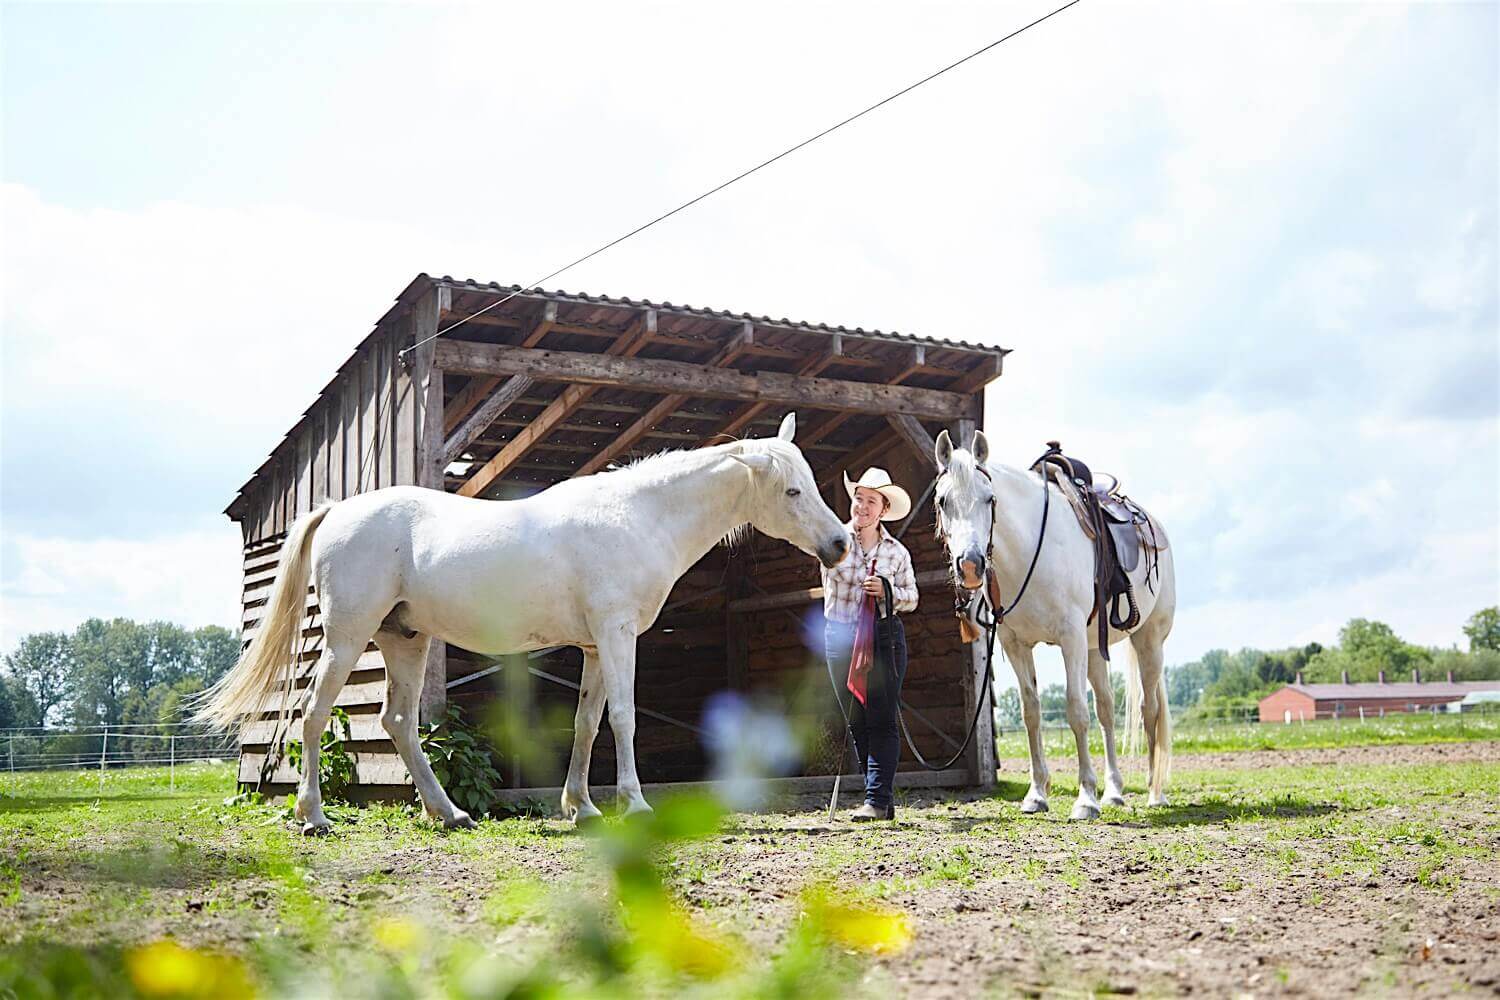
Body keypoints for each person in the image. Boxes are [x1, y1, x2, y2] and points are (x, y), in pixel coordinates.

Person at [821, 467, 918, 821]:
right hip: (841, 635)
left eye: (870, 500)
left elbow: (912, 597)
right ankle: (880, 798)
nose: (861, 506)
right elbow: (837, 572)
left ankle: (876, 800)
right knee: (856, 719)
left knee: (882, 717)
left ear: (883, 508)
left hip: (884, 636)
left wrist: (888, 590)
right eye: (858, 498)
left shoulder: (897, 552)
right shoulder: (834, 540)